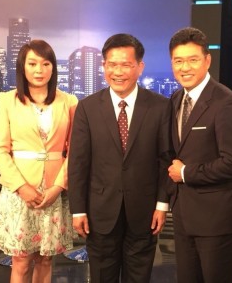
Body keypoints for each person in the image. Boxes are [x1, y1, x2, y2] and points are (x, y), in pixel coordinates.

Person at [68, 33, 172, 283]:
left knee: (139, 277)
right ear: (103, 66)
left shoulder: (160, 106)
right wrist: (78, 210)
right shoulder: (88, 108)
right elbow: (78, 163)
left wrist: (162, 204)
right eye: (112, 64)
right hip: (100, 212)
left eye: (125, 64)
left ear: (139, 67)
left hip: (145, 212)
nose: (118, 72)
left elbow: (165, 159)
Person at [0, 39, 78, 283]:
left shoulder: (69, 101)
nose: (39, 70)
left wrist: (58, 186)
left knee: (46, 259)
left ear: (53, 68)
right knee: (21, 260)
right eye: (33, 63)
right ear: (22, 67)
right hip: (19, 190)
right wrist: (22, 187)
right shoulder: (6, 100)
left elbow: (75, 151)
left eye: (46, 64)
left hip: (54, 189)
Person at [167, 27, 232, 283]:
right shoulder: (176, 99)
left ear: (207, 60)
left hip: (216, 220)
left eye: (193, 60)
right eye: (178, 61)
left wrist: (185, 173)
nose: (185, 68)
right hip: (184, 217)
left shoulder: (226, 102)